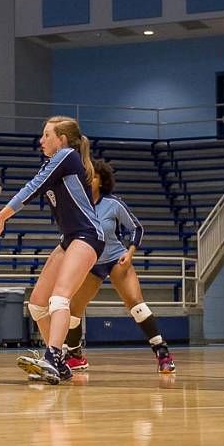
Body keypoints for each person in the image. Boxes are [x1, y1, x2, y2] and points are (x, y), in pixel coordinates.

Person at [0, 116, 104, 385]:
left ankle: (52, 356)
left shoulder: (67, 155)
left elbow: (32, 188)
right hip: (70, 238)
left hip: (88, 235)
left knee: (59, 299)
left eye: (46, 135)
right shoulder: (56, 161)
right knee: (38, 304)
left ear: (61, 139)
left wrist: (1, 216)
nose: (41, 140)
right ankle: (59, 364)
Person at [63, 160, 175, 374]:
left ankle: (163, 353)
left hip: (116, 259)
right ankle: (75, 356)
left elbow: (136, 228)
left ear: (102, 181)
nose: (89, 179)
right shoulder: (77, 205)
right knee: (73, 311)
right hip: (91, 263)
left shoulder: (113, 203)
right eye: (86, 175)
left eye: (94, 176)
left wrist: (130, 252)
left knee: (136, 304)